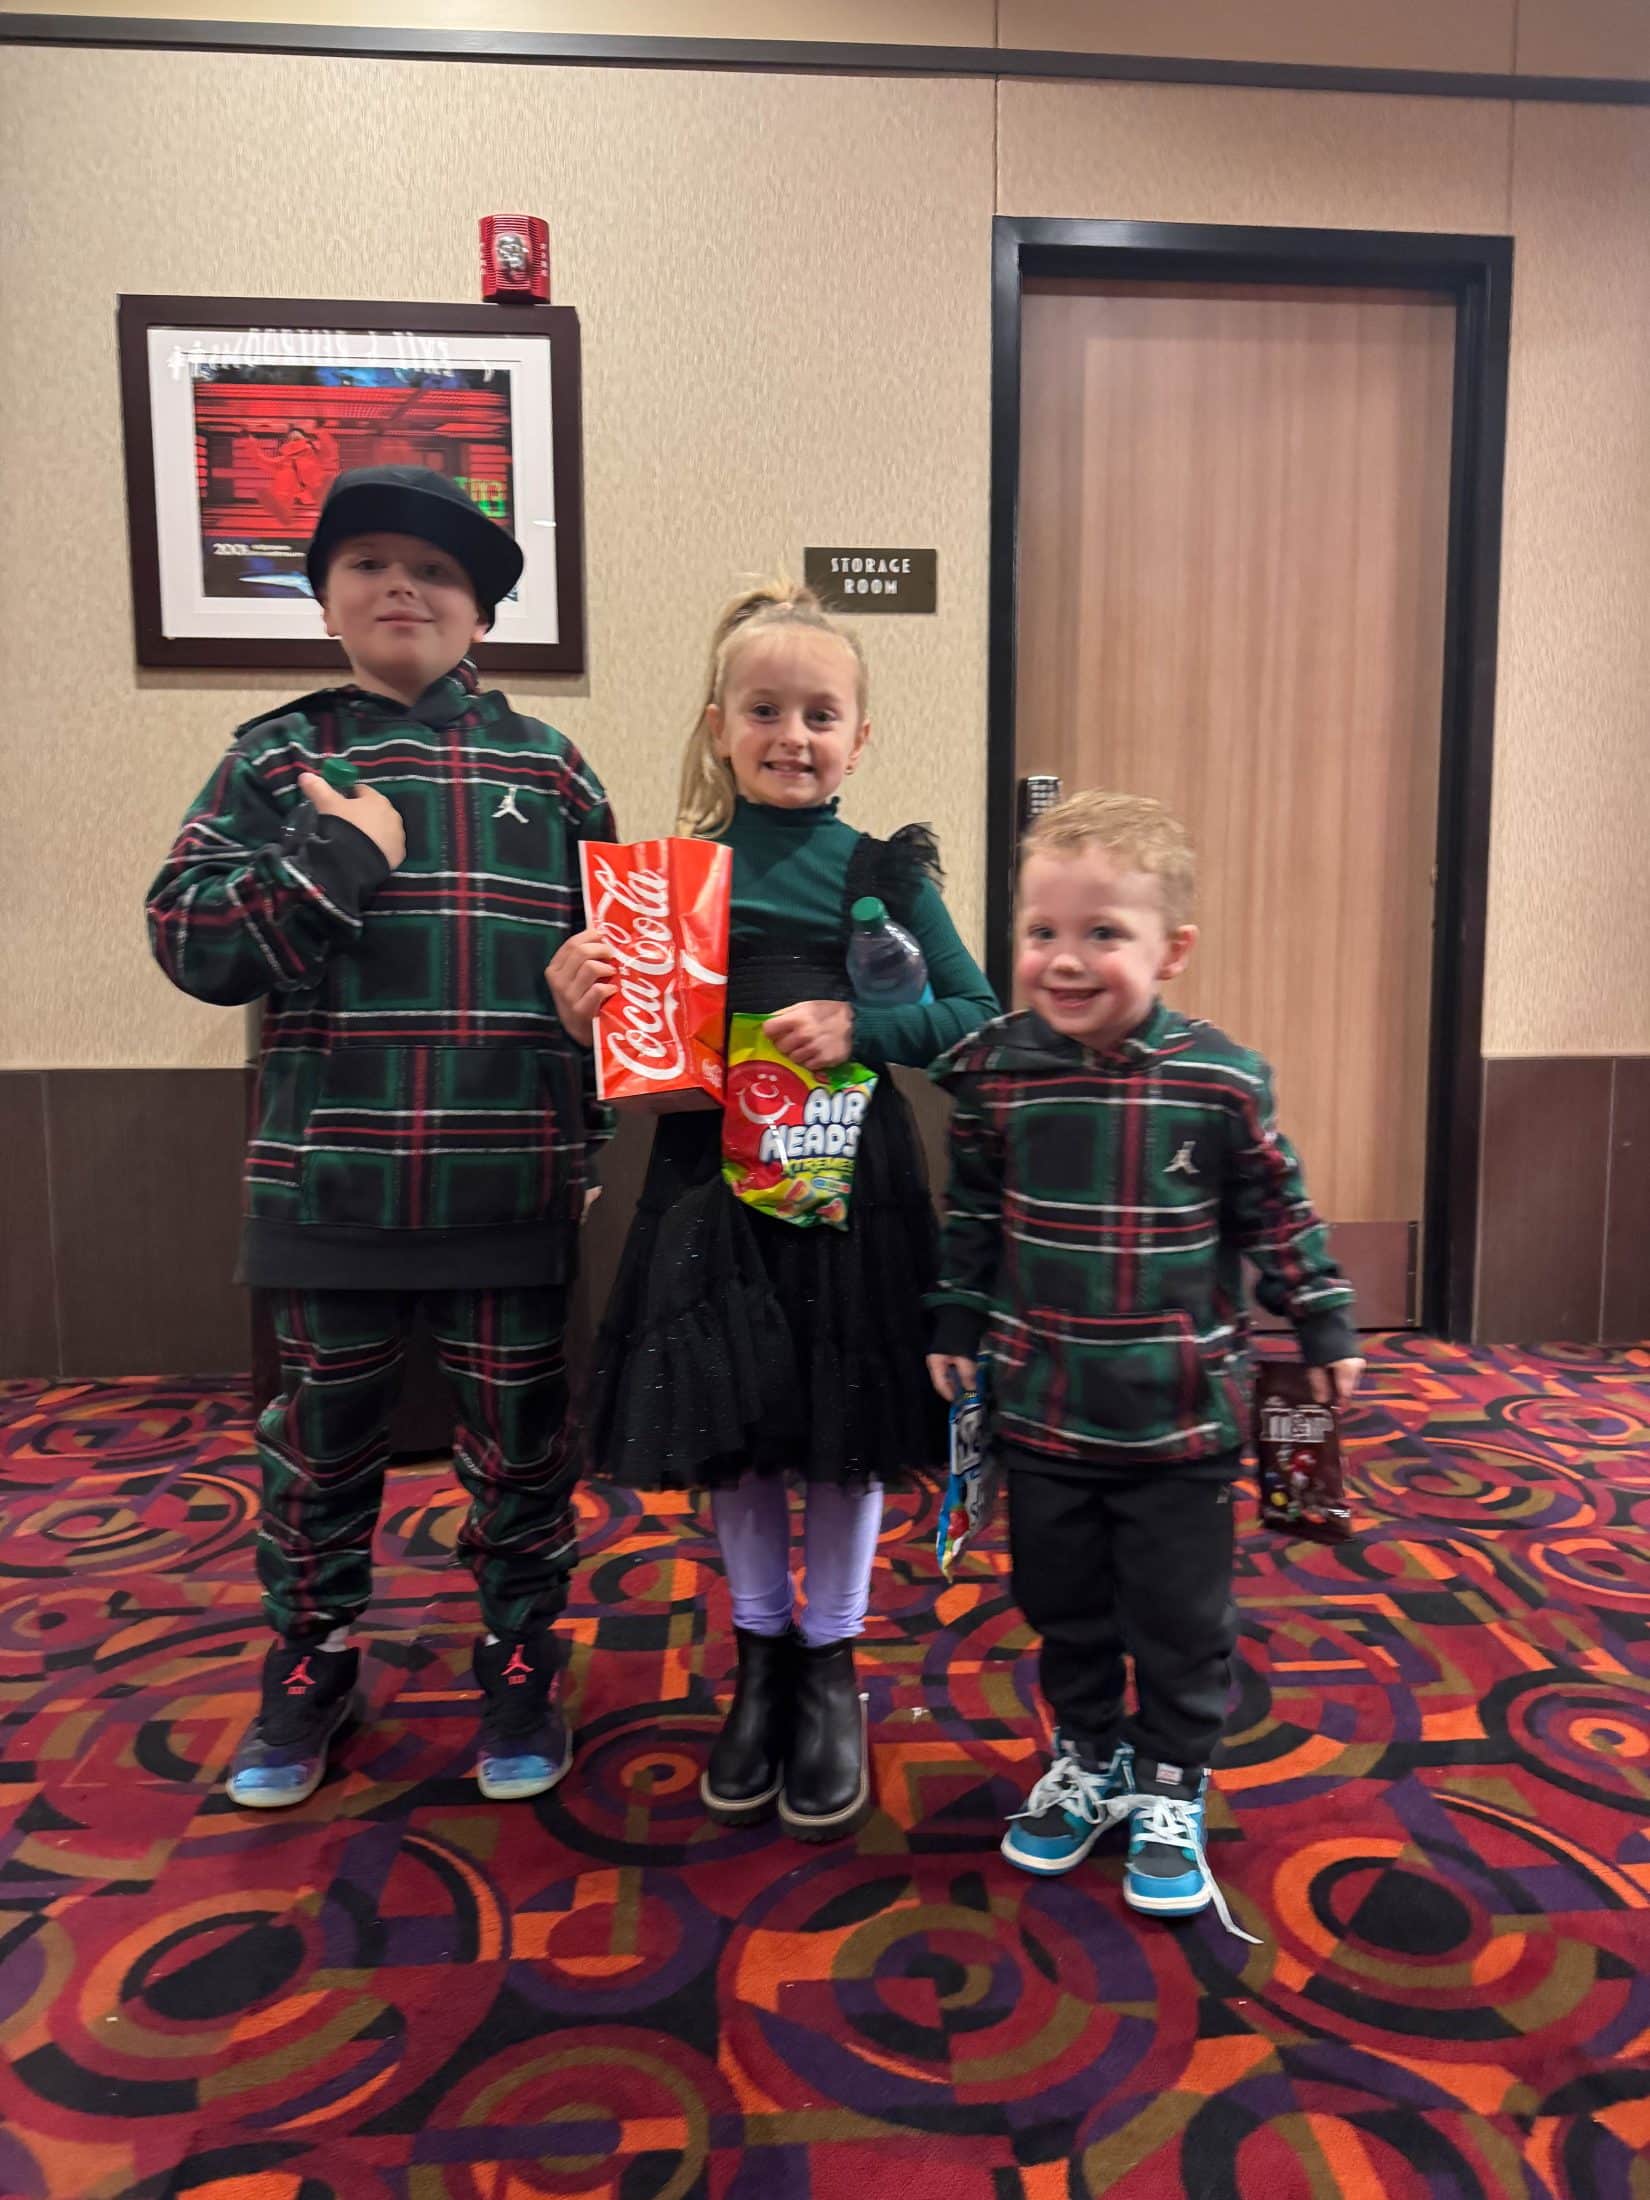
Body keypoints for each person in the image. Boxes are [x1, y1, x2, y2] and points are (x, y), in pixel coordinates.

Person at [146, 465, 614, 1811]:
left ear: (484, 616)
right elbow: (191, 943)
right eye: (368, 563)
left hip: (509, 1175)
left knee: (524, 1447)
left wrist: (586, 1134)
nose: (402, 584)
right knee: (319, 1448)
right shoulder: (274, 761)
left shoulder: (552, 769)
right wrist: (332, 859)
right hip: (329, 1182)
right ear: (324, 601)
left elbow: (616, 981)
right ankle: (312, 1656)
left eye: (438, 570)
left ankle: (519, 1652)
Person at [548, 581, 998, 1840]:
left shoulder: (882, 871)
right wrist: (587, 1017)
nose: (791, 735)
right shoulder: (666, 880)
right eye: (763, 710)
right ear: (718, 725)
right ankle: (759, 1660)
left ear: (861, 737)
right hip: (708, 1182)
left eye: (820, 714)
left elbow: (975, 1019)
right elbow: (639, 1055)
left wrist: (866, 1026)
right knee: (733, 1416)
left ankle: (832, 1664)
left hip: (853, 1182)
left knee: (847, 1415)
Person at [925, 791, 1362, 1933]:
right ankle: (1088, 1755)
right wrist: (954, 1322)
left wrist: (1322, 1317)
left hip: (1180, 1422)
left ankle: (1171, 1780)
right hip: (1045, 1406)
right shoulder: (994, 1076)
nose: (1065, 961)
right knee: (1060, 1601)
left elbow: (1278, 1212)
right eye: (1042, 932)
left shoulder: (1221, 1082)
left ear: (1172, 951)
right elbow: (971, 1219)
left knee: (1179, 1617)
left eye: (1103, 933)